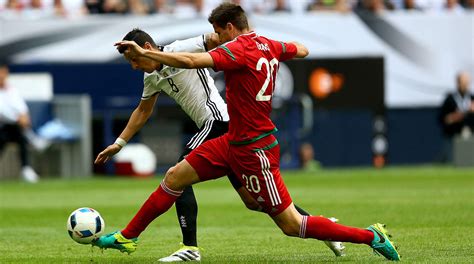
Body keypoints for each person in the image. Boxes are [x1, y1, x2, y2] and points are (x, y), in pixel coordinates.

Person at [95, 2, 400, 261]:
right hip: (232, 141)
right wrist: (283, 52)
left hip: (254, 149)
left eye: (218, 32)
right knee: (178, 177)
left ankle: (369, 235)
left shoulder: (238, 50)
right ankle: (128, 236)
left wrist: (152, 53)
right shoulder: (267, 44)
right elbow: (302, 49)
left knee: (291, 225)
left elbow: (190, 60)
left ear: (229, 27)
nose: (217, 37)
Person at [0, 61, 41, 183]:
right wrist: (18, 118)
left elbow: (21, 107)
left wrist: (24, 116)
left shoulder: (12, 90)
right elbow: (2, 112)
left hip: (14, 128)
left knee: (19, 135)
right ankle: (33, 139)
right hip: (3, 126)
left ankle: (26, 169)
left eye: (3, 72)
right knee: (6, 136)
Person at [439, 71, 474, 162]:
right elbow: (444, 119)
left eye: (467, 82)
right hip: (453, 137)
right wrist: (465, 112)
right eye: (464, 82)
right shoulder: (450, 99)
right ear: (458, 83)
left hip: (470, 137)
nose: (466, 85)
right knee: (454, 162)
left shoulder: (471, 97)